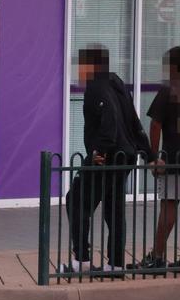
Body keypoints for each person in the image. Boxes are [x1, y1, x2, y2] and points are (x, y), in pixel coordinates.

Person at [64, 45, 154, 274]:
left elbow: (110, 122)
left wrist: (98, 155)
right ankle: (114, 263)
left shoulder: (97, 87)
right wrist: (147, 153)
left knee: (76, 200)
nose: (78, 70)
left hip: (108, 157)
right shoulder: (117, 83)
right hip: (125, 156)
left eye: (81, 64)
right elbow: (133, 120)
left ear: (91, 66)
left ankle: (82, 260)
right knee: (114, 210)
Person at [139, 46, 180, 275]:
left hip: (176, 158)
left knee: (169, 204)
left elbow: (156, 124)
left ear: (174, 67)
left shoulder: (169, 90)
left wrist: (154, 156)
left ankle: (157, 258)